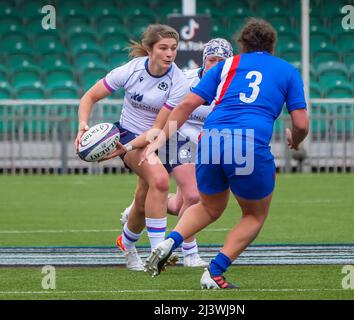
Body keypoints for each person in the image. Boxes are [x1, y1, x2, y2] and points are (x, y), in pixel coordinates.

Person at [139, 18, 309, 289]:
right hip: (248, 145)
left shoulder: (227, 65)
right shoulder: (287, 71)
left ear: (242, 44)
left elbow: (185, 105)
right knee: (253, 215)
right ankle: (214, 273)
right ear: (272, 45)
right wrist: (296, 141)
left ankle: (170, 241)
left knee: (209, 206)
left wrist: (161, 136)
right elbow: (300, 124)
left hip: (211, 141)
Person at [74, 24, 189, 271]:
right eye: (163, 48)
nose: (170, 54)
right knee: (159, 181)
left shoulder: (178, 81)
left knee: (142, 200)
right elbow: (89, 97)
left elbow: (158, 129)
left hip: (158, 138)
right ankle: (160, 252)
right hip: (127, 133)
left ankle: (125, 243)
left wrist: (125, 148)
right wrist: (83, 125)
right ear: (149, 49)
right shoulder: (131, 70)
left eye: (174, 48)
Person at [119, 38, 234, 267]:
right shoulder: (186, 79)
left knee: (172, 202)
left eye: (223, 61)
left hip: (207, 145)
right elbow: (165, 108)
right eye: (212, 60)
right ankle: (190, 253)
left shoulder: (232, 86)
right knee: (193, 196)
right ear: (204, 60)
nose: (216, 65)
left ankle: (135, 210)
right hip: (177, 138)